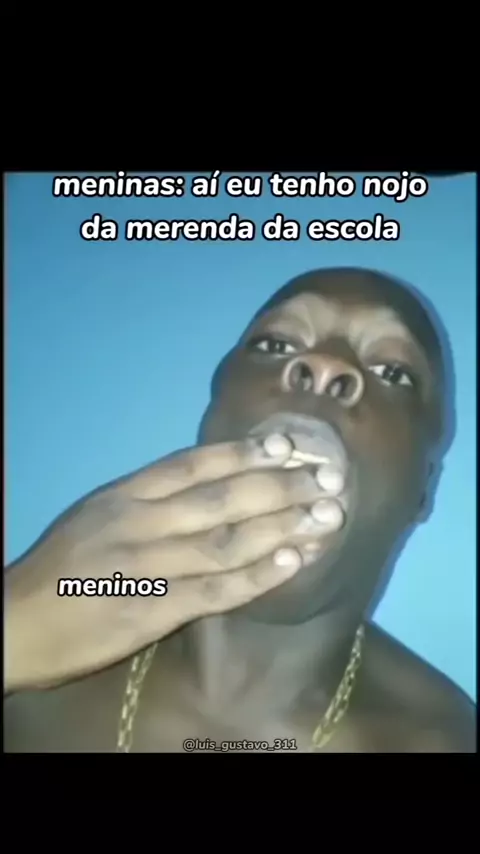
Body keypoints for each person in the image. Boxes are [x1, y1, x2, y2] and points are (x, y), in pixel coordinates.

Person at [4, 266, 476, 753]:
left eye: (393, 372)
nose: (324, 365)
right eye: (276, 344)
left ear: (424, 489)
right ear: (212, 417)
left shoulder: (442, 740)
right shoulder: (34, 655)